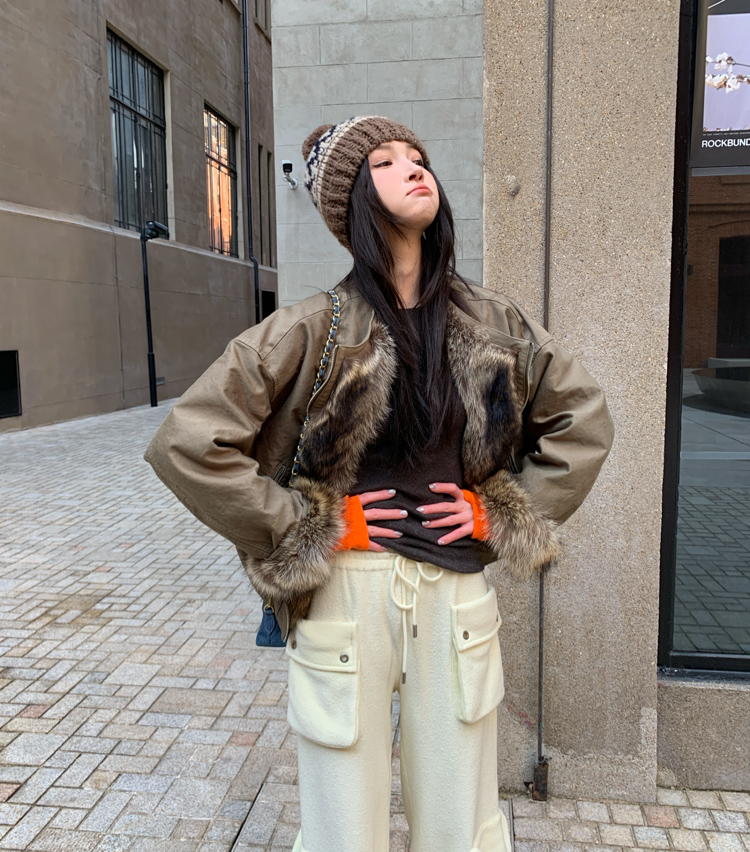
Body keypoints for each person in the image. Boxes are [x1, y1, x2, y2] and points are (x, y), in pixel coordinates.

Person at [145, 115, 614, 852]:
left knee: (461, 829)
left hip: (454, 594)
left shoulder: (495, 321)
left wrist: (501, 515)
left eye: (418, 156)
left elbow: (582, 419)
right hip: (345, 595)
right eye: (386, 162)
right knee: (342, 831)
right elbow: (188, 442)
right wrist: (308, 524)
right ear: (354, 202)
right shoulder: (310, 329)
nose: (414, 168)